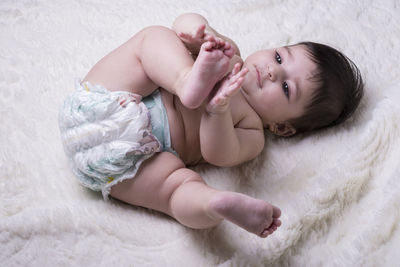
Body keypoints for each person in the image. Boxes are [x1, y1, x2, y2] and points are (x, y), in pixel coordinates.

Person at [58, 13, 363, 238]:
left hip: (125, 166)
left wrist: (217, 111)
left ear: (282, 128)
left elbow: (218, 153)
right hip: (102, 102)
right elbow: (184, 23)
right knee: (154, 38)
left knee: (177, 191)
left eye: (286, 89)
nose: (272, 72)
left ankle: (215, 204)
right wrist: (194, 32)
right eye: (280, 58)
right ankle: (184, 80)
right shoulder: (230, 55)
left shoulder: (252, 130)